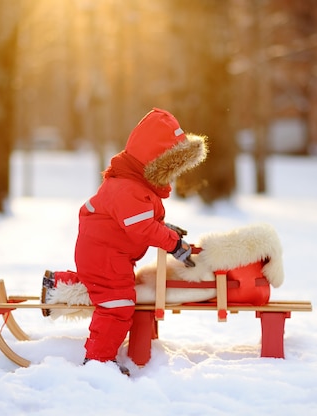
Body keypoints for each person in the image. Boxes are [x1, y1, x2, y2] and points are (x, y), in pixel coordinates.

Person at [42, 108, 208, 375]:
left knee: (103, 286)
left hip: (107, 253)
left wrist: (164, 228)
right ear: (155, 163)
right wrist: (173, 244)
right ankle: (99, 360)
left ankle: (59, 283)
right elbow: (141, 227)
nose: (174, 176)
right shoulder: (128, 189)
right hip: (106, 254)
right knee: (118, 303)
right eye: (172, 167)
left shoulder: (134, 185)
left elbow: (139, 222)